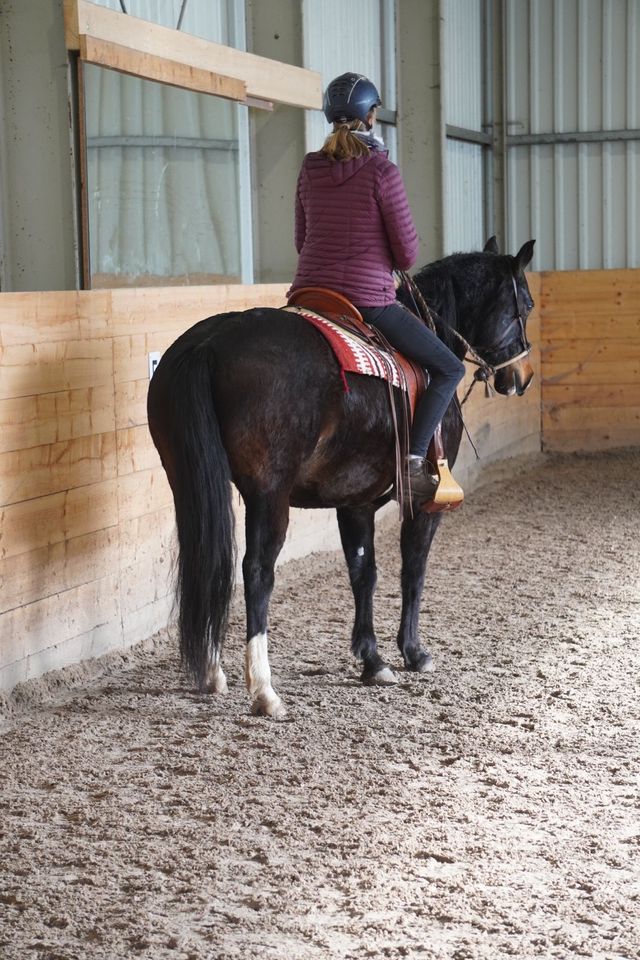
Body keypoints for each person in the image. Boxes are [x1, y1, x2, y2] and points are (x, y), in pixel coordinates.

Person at [288, 72, 465, 510]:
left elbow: (301, 239)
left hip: (309, 296)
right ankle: (411, 462)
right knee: (447, 369)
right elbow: (406, 256)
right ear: (371, 115)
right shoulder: (382, 171)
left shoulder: (310, 167)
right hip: (366, 301)